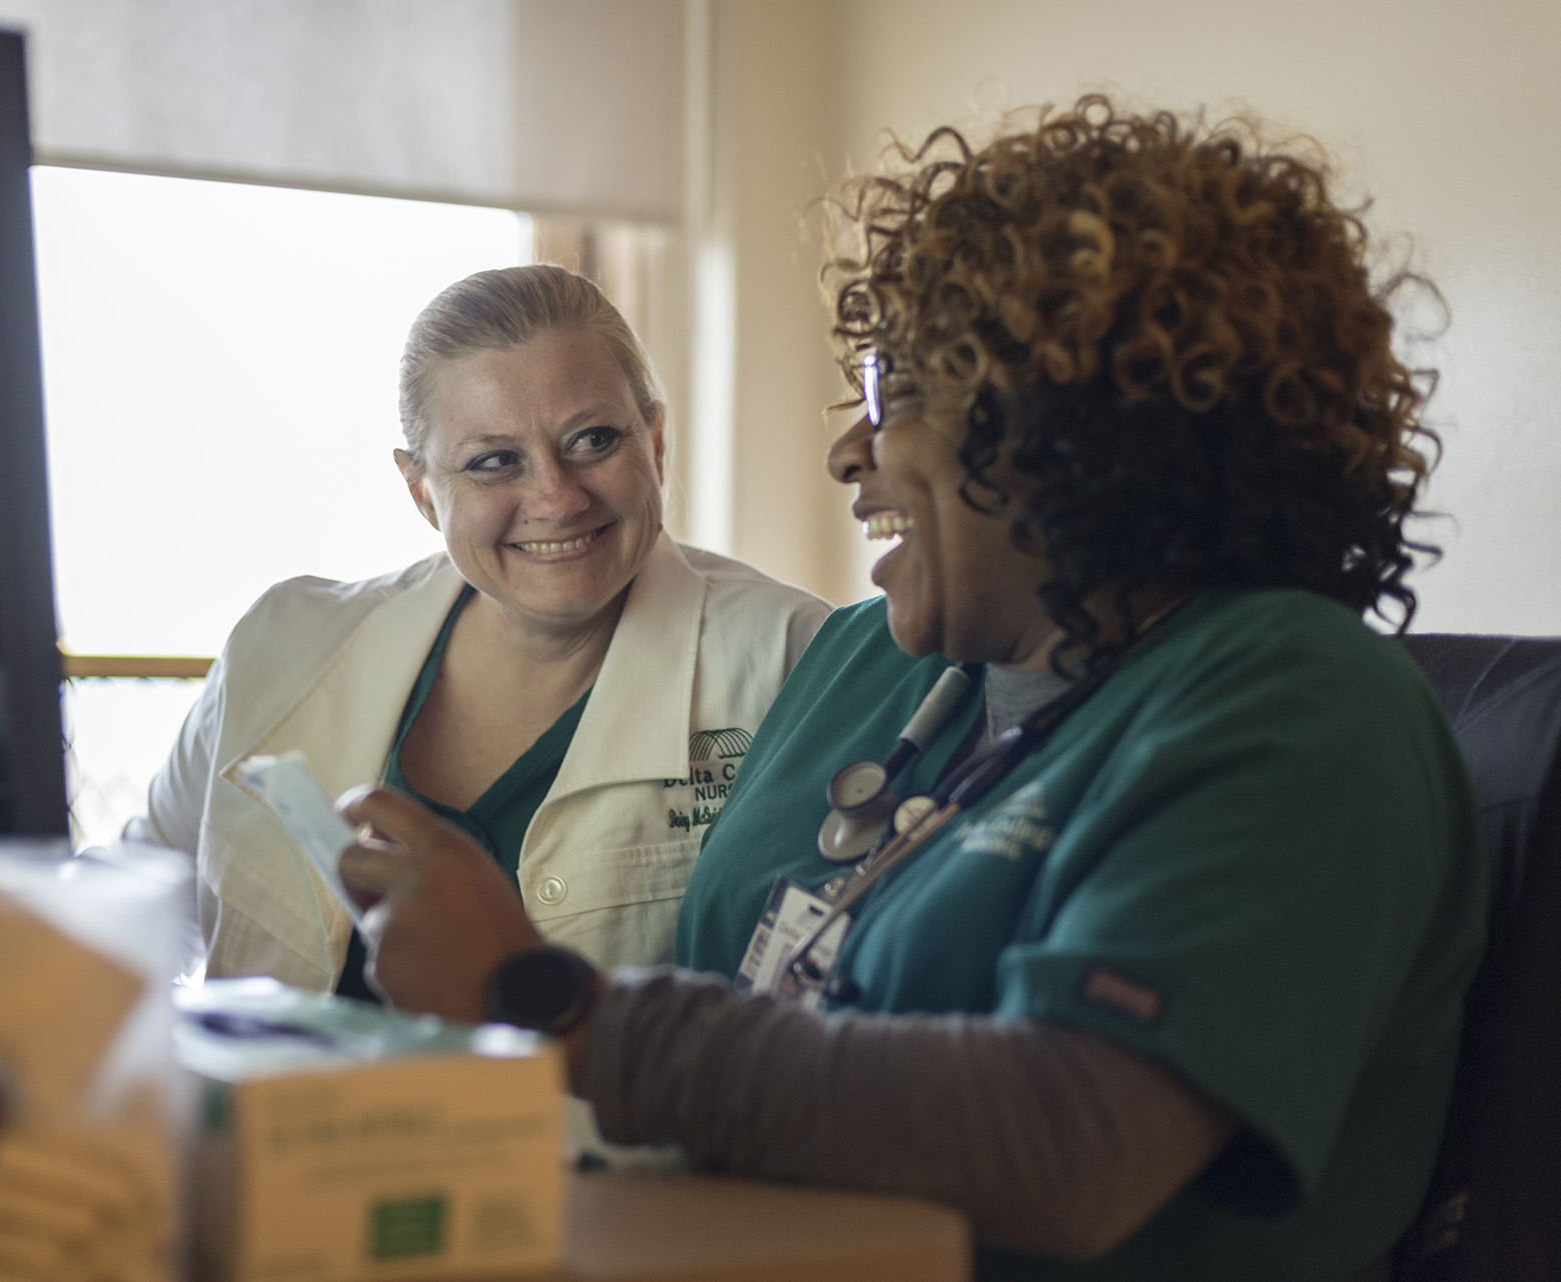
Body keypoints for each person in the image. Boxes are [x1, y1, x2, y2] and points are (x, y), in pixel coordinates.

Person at [334, 99, 1487, 1280]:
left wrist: (547, 1000)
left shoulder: (1294, 703)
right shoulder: (860, 664)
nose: (851, 450)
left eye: (898, 391)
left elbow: (1075, 1142)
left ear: (1081, 424)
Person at [126, 264, 829, 990]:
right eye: (495, 462)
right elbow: (136, 899)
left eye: (593, 440)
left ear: (654, 443)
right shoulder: (281, 646)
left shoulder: (799, 659)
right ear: (422, 491)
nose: (556, 499)